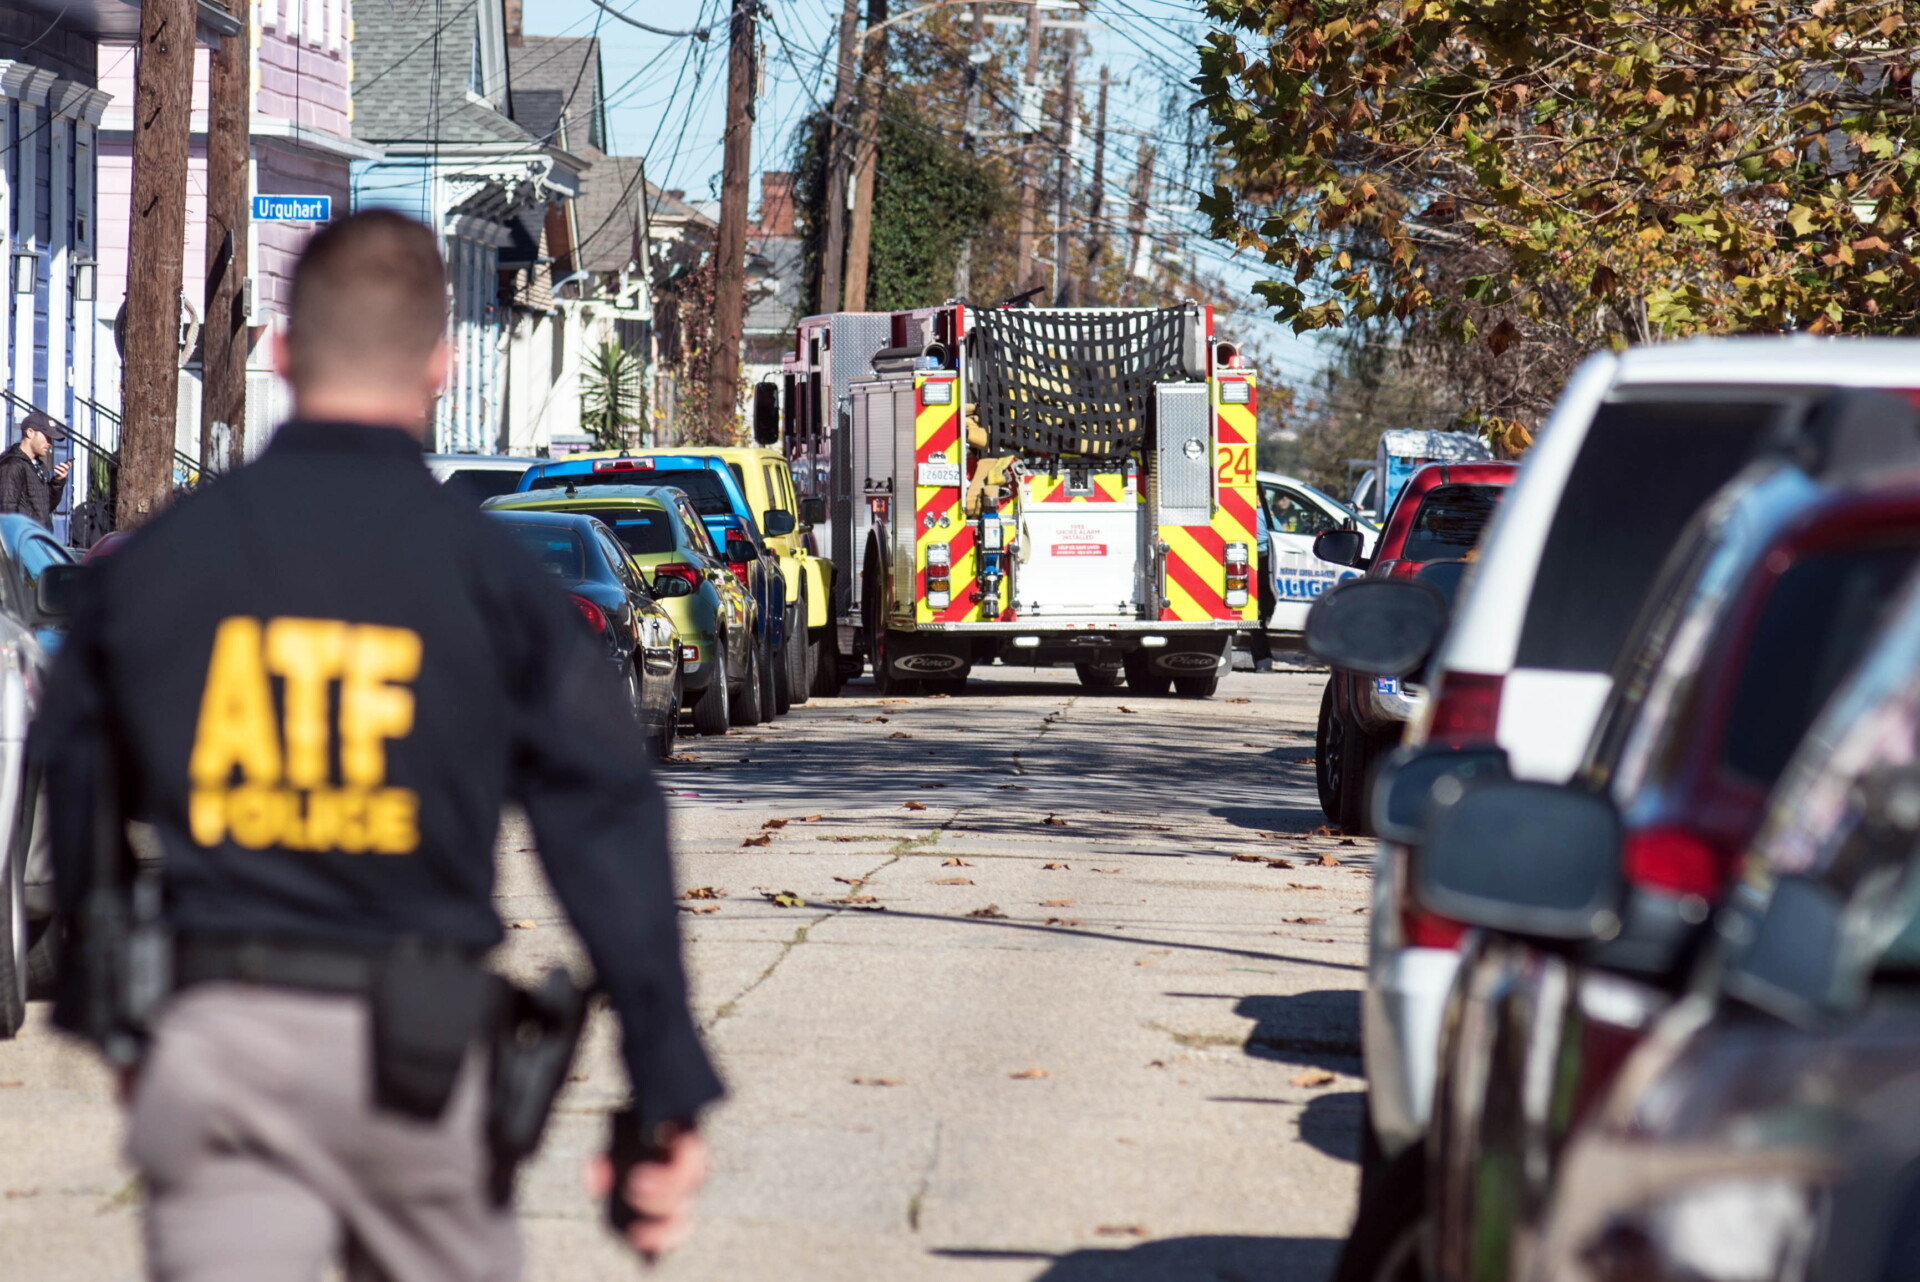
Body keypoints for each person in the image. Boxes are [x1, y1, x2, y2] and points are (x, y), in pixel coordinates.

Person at [35, 210, 721, 1280]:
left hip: (216, 1040)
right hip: (419, 1055)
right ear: (441, 364)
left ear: (283, 351)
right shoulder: (496, 586)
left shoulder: (158, 567)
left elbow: (71, 773)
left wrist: (107, 1005)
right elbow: (605, 817)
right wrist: (664, 1076)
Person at [0, 408, 69, 529]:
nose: (50, 443)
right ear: (30, 432)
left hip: (39, 540)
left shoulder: (38, 465)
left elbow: (43, 509)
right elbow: (7, 512)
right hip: (23, 543)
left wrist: (57, 482)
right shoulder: (12, 465)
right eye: (47, 437)